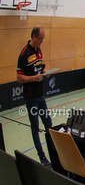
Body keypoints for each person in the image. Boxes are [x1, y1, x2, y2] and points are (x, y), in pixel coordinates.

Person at [17, 25, 53, 166]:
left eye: (43, 38)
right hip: (31, 98)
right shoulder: (24, 54)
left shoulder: (39, 50)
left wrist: (45, 73)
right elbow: (19, 78)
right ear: (34, 37)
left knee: (48, 124)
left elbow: (39, 69)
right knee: (35, 128)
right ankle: (42, 158)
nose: (42, 41)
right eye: (41, 38)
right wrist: (34, 78)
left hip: (40, 95)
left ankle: (54, 152)